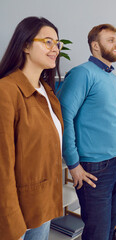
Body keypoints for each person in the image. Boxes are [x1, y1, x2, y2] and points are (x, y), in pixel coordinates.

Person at [58, 24, 116, 240]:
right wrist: (73, 164)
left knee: (110, 228)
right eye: (110, 40)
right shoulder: (81, 74)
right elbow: (63, 118)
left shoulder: (111, 77)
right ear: (95, 46)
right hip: (94, 168)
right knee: (97, 233)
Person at [0, 16, 63, 240]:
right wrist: (11, 220)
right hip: (17, 212)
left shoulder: (47, 91)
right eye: (47, 42)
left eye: (57, 43)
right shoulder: (6, 91)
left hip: (42, 204)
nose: (55, 48)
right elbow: (3, 165)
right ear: (25, 45)